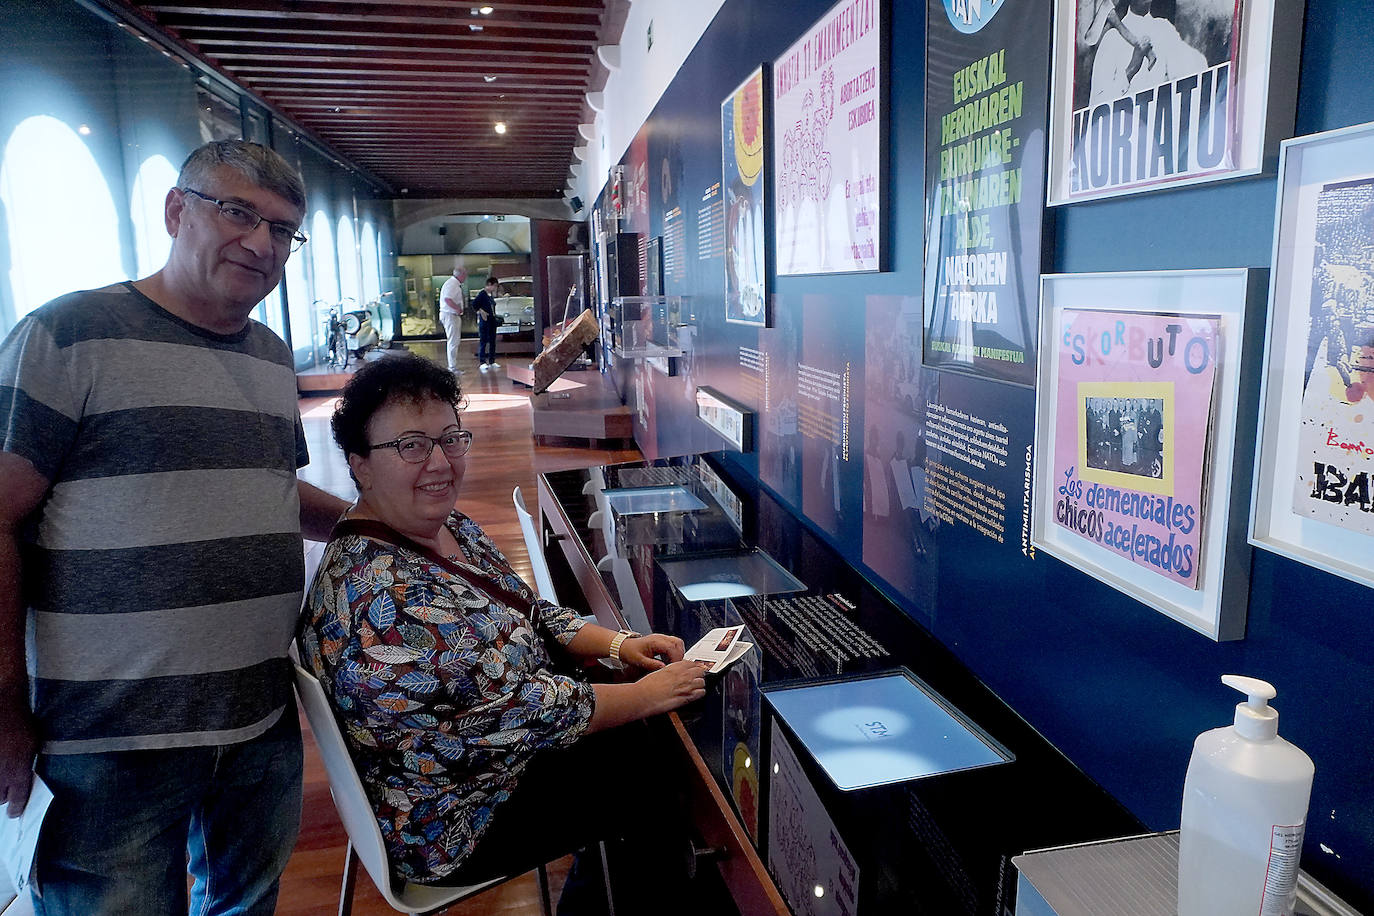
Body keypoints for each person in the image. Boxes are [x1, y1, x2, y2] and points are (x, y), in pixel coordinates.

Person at [0, 139, 350, 916]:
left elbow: (268, 489)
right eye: (237, 213)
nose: (261, 244)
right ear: (174, 210)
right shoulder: (68, 334)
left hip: (255, 714)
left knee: (243, 904)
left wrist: (374, 525)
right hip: (109, 737)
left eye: (284, 230)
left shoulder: (266, 353)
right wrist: (3, 707)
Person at [298, 352, 708, 895]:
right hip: (454, 816)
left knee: (642, 727)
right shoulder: (385, 599)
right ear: (360, 464)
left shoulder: (445, 528)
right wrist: (652, 694)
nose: (440, 462)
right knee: (656, 760)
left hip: (490, 759)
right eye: (411, 446)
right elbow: (530, 711)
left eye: (450, 438)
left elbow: (529, 609)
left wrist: (619, 643)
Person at [1087, 0, 1208, 109]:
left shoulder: (1164, 29)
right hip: (1125, 126)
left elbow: (1197, 70)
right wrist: (1130, 70)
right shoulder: (1112, 38)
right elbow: (1096, 105)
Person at [438, 266, 466, 375]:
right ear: (461, 275)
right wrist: (457, 308)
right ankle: (452, 367)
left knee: (454, 341)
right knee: (453, 341)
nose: (465, 277)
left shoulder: (453, 284)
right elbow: (447, 299)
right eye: (465, 274)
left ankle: (453, 366)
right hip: (450, 315)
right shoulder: (452, 284)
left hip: (451, 315)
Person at [472, 274, 501, 371]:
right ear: (489, 284)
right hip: (485, 321)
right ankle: (482, 361)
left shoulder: (490, 296)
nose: (495, 288)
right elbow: (474, 304)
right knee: (483, 341)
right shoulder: (482, 294)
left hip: (492, 321)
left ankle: (492, 360)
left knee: (493, 341)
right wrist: (481, 311)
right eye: (495, 286)